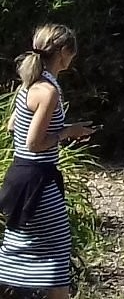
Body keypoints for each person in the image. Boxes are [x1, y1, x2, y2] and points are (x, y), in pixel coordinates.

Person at [0, 25, 94, 299]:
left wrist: (59, 131)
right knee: (56, 251)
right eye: (72, 53)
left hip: (19, 177)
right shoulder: (48, 91)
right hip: (38, 183)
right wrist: (68, 131)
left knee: (16, 248)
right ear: (64, 53)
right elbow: (34, 142)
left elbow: (10, 126)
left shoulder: (29, 84)